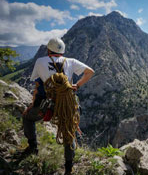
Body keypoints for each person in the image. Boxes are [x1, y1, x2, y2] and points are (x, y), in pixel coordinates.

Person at [22, 37, 94, 174]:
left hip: (47, 103)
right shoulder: (71, 62)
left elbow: (38, 85)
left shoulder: (40, 61)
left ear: (48, 50)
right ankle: (69, 166)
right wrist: (77, 85)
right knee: (68, 132)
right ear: (62, 51)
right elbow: (90, 72)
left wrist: (32, 104)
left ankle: (33, 147)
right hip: (66, 104)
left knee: (28, 118)